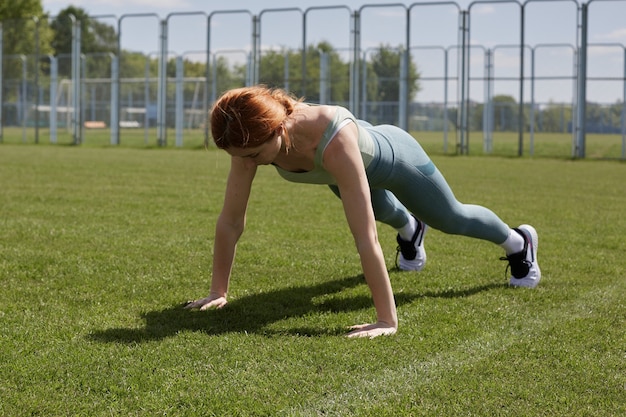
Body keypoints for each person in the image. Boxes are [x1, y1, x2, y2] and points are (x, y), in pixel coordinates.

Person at [185, 85, 541, 338]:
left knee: (450, 217)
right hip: (343, 174)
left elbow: (364, 237)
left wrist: (386, 320)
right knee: (388, 212)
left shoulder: (331, 141)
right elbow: (231, 221)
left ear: (278, 129)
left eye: (254, 155)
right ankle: (410, 230)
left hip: (397, 160)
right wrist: (219, 291)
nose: (247, 163)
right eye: (239, 155)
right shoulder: (247, 141)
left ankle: (518, 241)